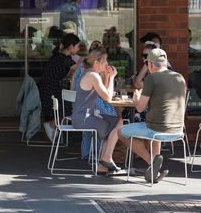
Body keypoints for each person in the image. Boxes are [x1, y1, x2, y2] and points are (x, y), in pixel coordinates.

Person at [118, 48, 187, 183]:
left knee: (121, 132)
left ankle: (152, 163)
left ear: (149, 64)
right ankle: (153, 171)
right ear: (166, 63)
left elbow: (140, 107)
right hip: (178, 130)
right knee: (156, 130)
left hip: (156, 128)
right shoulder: (179, 77)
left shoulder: (152, 78)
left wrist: (137, 97)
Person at [71, 47, 123, 173]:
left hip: (82, 116)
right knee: (116, 123)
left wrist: (106, 75)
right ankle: (107, 158)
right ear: (96, 63)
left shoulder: (90, 74)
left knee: (115, 122)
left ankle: (103, 164)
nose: (107, 64)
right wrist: (111, 77)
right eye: (104, 61)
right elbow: (108, 97)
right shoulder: (93, 75)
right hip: (84, 119)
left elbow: (104, 92)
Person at [37, 32, 81, 141]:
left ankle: (54, 128)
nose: (79, 49)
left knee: (73, 105)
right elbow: (79, 70)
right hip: (50, 94)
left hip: (45, 91)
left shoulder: (57, 57)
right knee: (76, 107)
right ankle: (53, 125)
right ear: (71, 46)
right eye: (77, 46)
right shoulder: (66, 60)